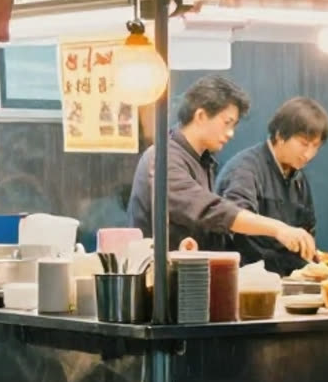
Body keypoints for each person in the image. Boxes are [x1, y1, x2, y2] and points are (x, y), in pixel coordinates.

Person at [127, 75, 316, 260]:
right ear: (200, 115)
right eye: (227, 123)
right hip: (159, 285)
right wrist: (278, 228)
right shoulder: (162, 158)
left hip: (190, 278)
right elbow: (209, 210)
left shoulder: (203, 161)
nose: (231, 133)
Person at [216, 96, 328, 274]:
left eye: (316, 146)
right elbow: (234, 218)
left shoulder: (298, 177)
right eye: (304, 144)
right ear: (280, 135)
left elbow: (306, 229)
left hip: (286, 280)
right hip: (245, 280)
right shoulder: (245, 169)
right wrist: (279, 230)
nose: (308, 154)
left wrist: (312, 254)